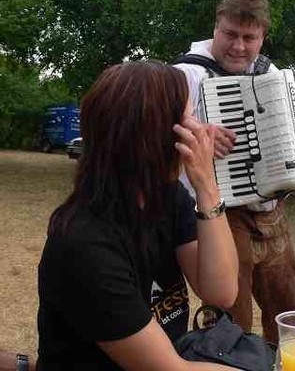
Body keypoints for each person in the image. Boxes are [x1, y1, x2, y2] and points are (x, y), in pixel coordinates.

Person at [36, 60, 241, 371]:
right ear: (153, 136)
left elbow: (220, 293)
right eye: (189, 118)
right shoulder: (84, 244)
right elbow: (172, 370)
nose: (201, 130)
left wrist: (208, 188)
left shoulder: (166, 196)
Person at [174, 0, 295, 344]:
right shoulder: (184, 75)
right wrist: (198, 134)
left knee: (291, 316)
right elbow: (155, 129)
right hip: (221, 213)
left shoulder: (273, 73)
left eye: (249, 38)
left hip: (272, 213)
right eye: (230, 34)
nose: (238, 46)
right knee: (231, 321)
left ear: (262, 38)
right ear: (216, 26)